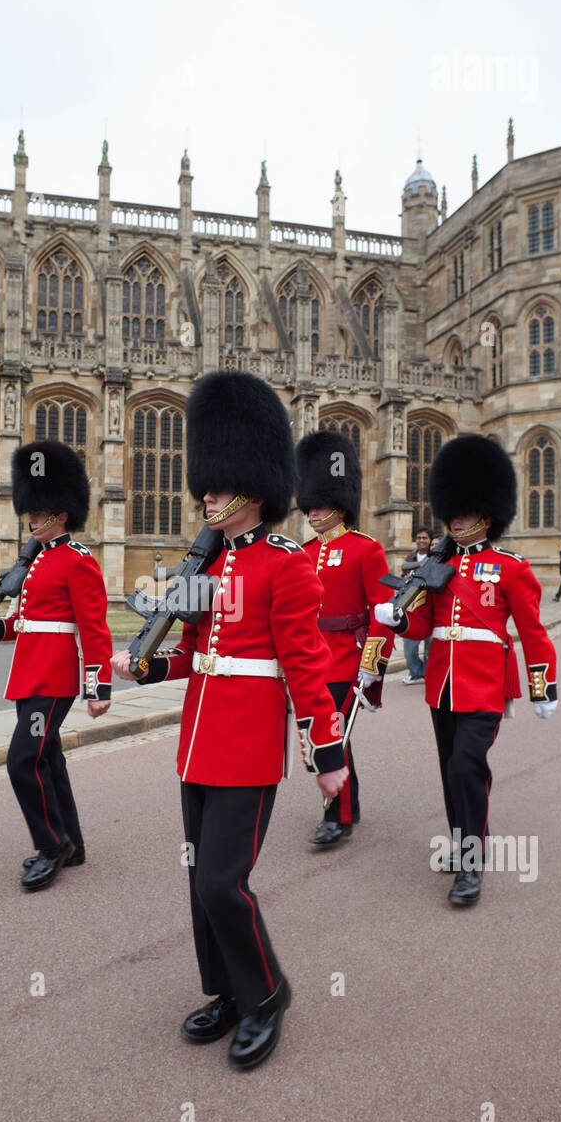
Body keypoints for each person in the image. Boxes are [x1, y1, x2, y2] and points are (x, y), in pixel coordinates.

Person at [111, 372, 349, 1072]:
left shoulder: (286, 568)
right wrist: (146, 670)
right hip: (197, 743)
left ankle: (268, 992)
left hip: (247, 748)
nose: (206, 495)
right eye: (205, 485)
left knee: (223, 881)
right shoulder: (204, 569)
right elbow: (190, 654)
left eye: (217, 486)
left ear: (254, 487)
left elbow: (305, 668)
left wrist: (328, 752)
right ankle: (224, 990)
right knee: (197, 880)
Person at [375, 435, 558, 908]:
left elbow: (533, 632)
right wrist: (397, 619)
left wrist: (542, 685)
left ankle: (471, 865)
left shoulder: (511, 568)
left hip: (485, 686)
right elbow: (425, 623)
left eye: (463, 512)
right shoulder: (437, 567)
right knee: (451, 772)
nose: (453, 519)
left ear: (486, 515)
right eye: (451, 512)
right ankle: (463, 844)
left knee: (465, 766)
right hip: (442, 685)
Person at [0, 440, 112, 892]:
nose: (31, 519)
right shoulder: (35, 561)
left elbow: (94, 630)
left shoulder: (78, 562)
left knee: (21, 762)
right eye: (31, 511)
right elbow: (28, 624)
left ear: (61, 514)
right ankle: (73, 843)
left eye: (39, 511)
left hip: (54, 681)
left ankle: (50, 846)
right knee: (47, 758)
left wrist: (97, 687)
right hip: (29, 676)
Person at [295, 428, 395, 847]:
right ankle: (344, 804)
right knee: (317, 732)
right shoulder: (301, 552)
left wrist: (372, 665)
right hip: (311, 657)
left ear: (339, 506)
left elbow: (383, 612)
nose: (313, 513)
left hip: (346, 657)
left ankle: (338, 815)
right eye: (310, 506)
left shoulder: (365, 549)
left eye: (320, 506)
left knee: (334, 733)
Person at [401, 526, 432, 684]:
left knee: (430, 645)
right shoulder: (410, 558)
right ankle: (415, 671)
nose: (421, 541)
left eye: (424, 538)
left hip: (429, 604)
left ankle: (427, 673)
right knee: (409, 645)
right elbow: (402, 580)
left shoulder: (435, 557)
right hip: (412, 604)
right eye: (419, 538)